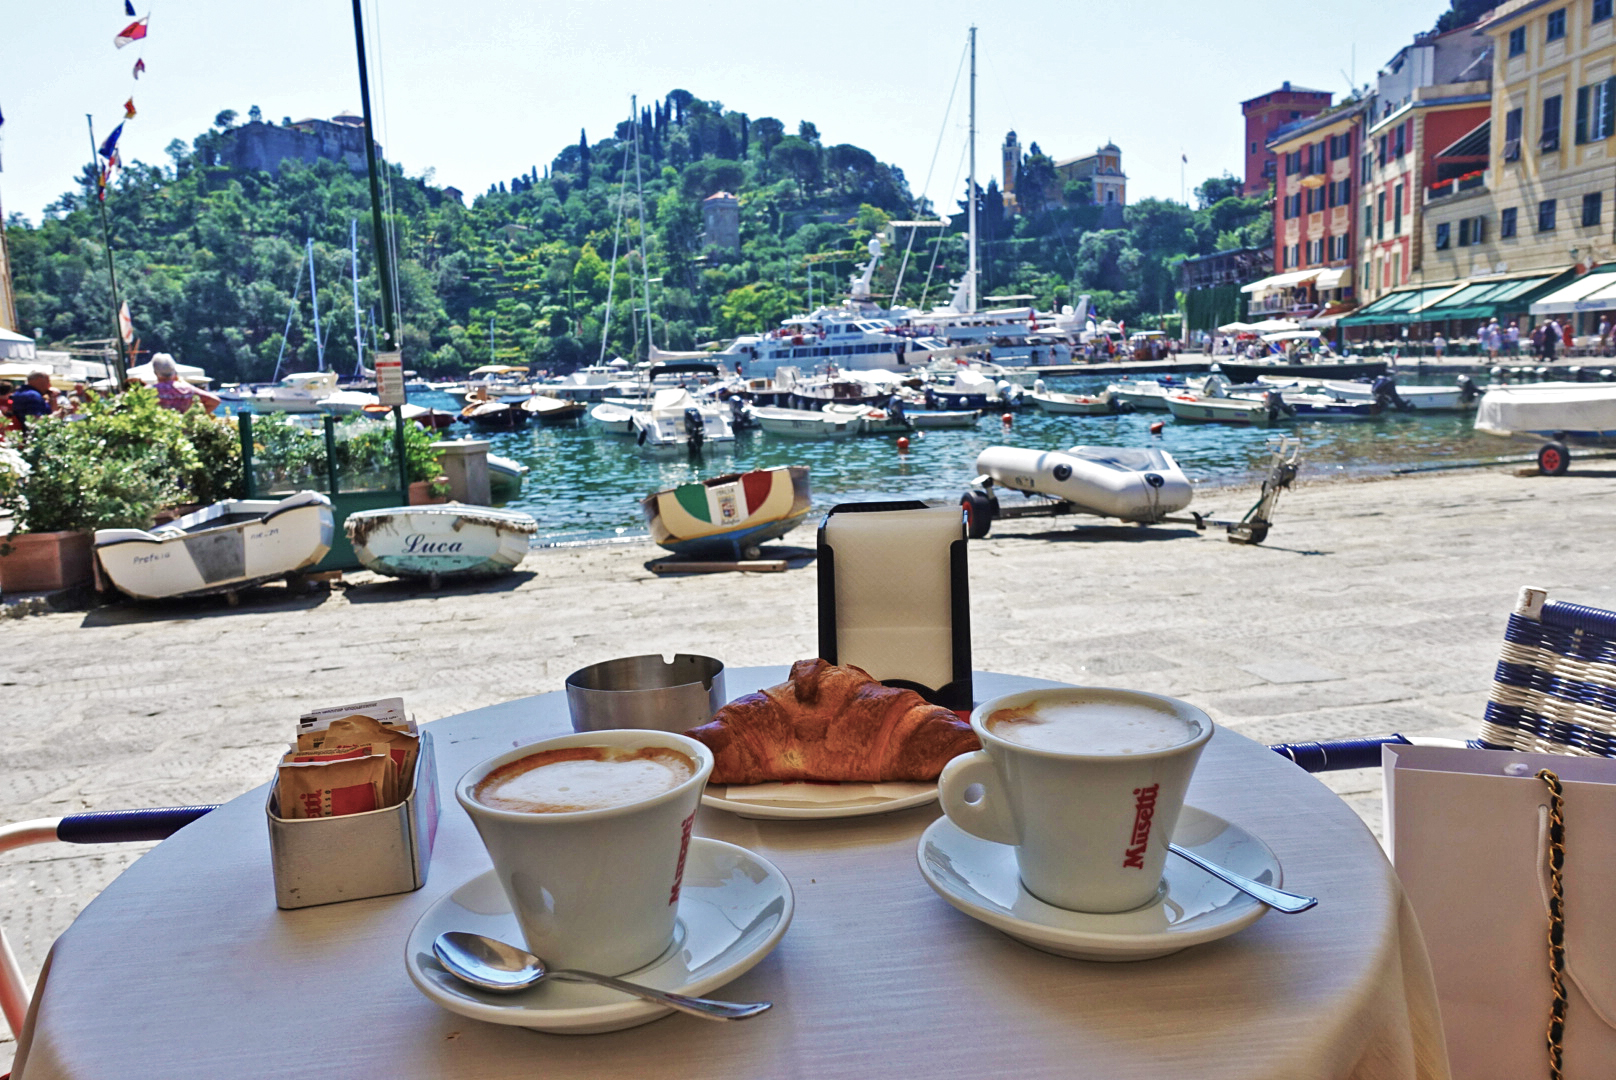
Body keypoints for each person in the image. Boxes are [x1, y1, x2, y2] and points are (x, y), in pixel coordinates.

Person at [150, 353, 220, 414]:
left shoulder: (149, 391)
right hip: (184, 427)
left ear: (155, 372)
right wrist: (195, 418)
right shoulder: (187, 389)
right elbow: (215, 401)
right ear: (173, 370)